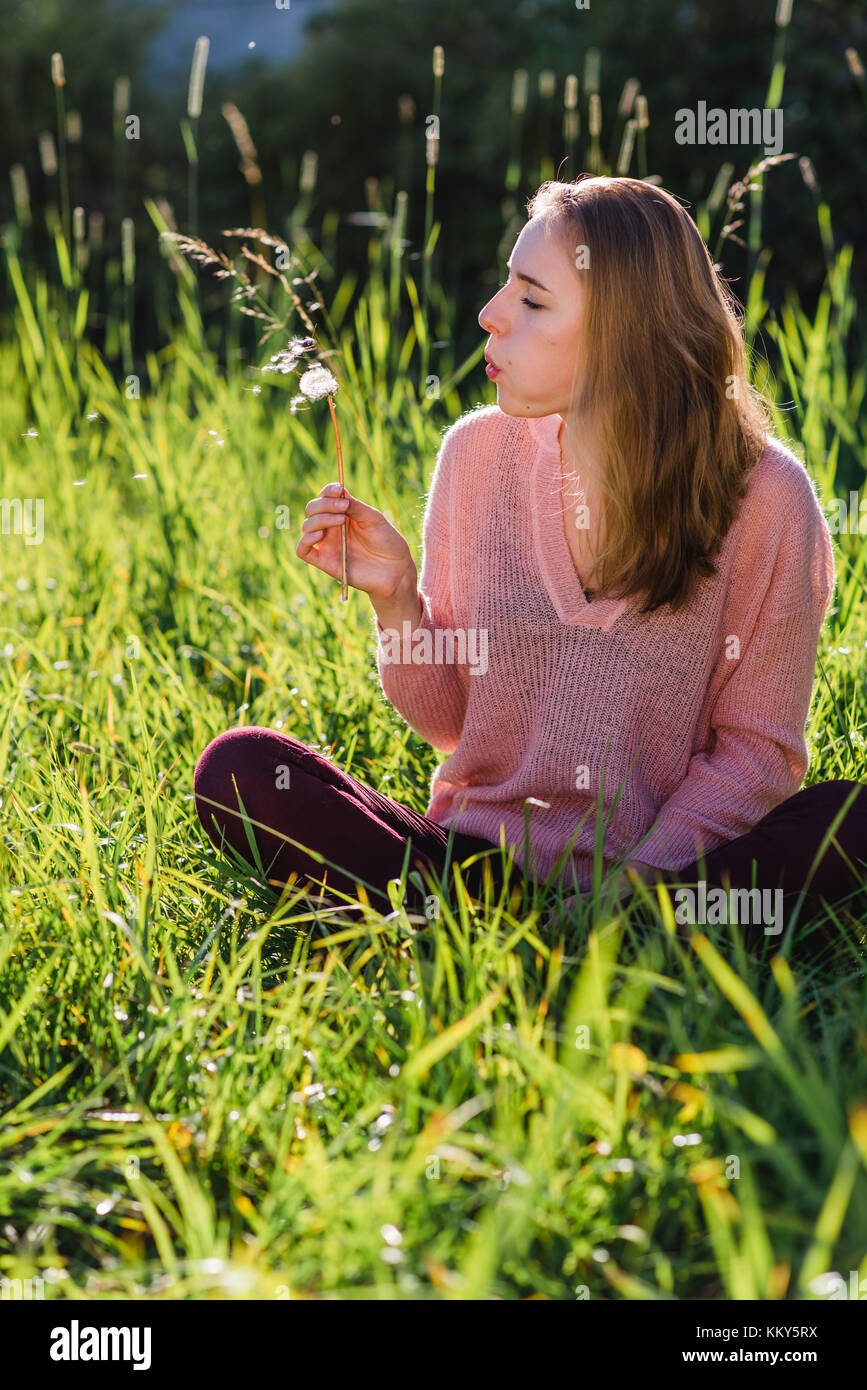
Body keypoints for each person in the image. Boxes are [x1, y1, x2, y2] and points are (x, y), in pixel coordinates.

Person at [194, 175, 867, 947]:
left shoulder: (767, 496)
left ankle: (606, 939)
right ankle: (528, 939)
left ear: (627, 336)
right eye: (506, 284)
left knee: (850, 819)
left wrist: (629, 890)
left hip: (667, 876)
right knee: (239, 771)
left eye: (532, 299)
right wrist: (396, 602)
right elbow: (451, 725)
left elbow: (756, 754)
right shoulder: (476, 455)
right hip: (472, 867)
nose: (489, 314)